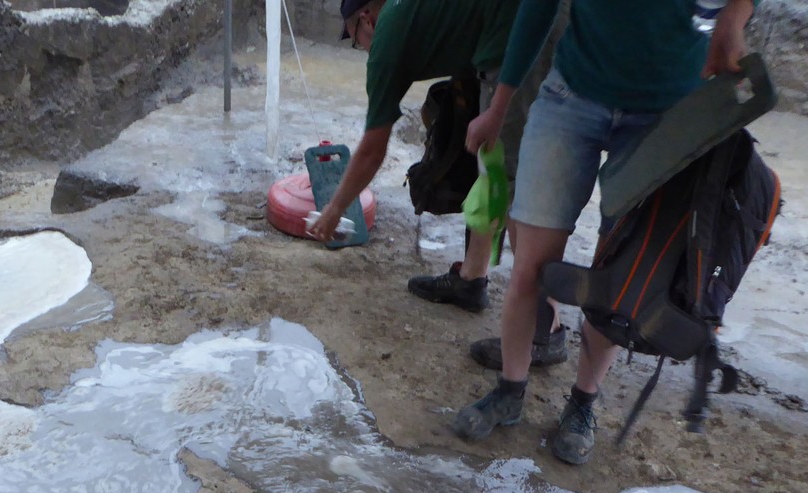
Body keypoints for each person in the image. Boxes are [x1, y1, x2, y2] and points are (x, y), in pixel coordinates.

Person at [451, 0, 759, 464]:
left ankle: (581, 405)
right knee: (531, 269)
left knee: (619, 278)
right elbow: (537, 10)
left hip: (664, 118)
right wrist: (499, 106)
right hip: (571, 98)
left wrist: (733, 20)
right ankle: (510, 391)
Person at [307, 0, 526, 314]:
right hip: (506, 35)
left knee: (514, 183)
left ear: (366, 20)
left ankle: (544, 322)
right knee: (492, 169)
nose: (362, 48)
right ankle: (471, 279)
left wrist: (335, 207)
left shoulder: (387, 39)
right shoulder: (409, 12)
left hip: (519, 42)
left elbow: (372, 150)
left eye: (356, 40)